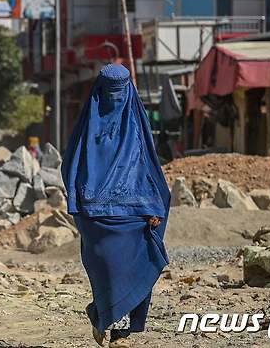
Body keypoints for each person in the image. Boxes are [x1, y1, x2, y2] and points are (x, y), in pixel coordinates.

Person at [61, 64, 171, 347]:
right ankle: (102, 314)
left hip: (133, 213)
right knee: (107, 270)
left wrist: (154, 207)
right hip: (95, 213)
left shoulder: (136, 125)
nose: (116, 97)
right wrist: (79, 201)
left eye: (120, 90)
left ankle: (119, 333)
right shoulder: (88, 127)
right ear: (100, 90)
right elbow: (71, 167)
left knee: (133, 266)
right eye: (111, 90)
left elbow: (149, 168)